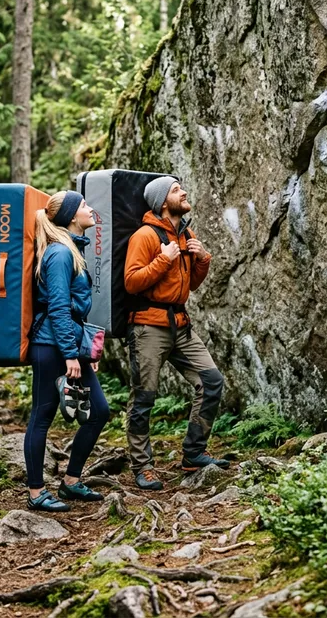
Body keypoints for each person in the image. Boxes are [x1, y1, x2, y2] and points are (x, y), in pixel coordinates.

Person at [124, 176, 228, 490]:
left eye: (181, 187)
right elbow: (132, 282)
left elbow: (190, 285)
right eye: (175, 189)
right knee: (144, 397)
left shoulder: (185, 233)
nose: (183, 192)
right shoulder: (144, 236)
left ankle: (193, 453)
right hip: (148, 327)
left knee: (211, 381)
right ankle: (143, 466)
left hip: (180, 326)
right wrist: (163, 259)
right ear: (161, 202)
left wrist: (202, 259)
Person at [24, 190, 110, 511]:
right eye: (84, 205)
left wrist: (83, 351)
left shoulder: (71, 249)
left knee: (99, 412)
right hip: (50, 346)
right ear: (73, 216)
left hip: (67, 343)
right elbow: (59, 308)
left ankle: (71, 481)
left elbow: (75, 311)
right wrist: (71, 354)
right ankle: (36, 493)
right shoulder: (60, 253)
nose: (90, 208)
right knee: (42, 416)